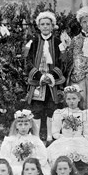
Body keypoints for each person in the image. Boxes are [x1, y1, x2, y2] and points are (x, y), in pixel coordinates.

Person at [25, 11, 66, 142]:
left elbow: (63, 61)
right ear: (38, 26)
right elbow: (27, 61)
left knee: (51, 109)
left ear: (52, 26)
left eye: (48, 24)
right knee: (36, 109)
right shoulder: (33, 42)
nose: (45, 27)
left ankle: (50, 136)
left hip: (53, 82)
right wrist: (40, 76)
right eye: (42, 24)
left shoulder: (58, 42)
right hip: (37, 81)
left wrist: (51, 76)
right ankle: (36, 137)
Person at [46, 84, 88, 167]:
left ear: (79, 99)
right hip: (64, 140)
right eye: (69, 99)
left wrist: (80, 138)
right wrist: (62, 137)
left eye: (74, 98)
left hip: (79, 140)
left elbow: (87, 132)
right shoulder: (60, 112)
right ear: (65, 100)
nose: (71, 101)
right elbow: (55, 131)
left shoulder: (84, 113)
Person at [0, 109, 49, 175]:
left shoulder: (36, 140)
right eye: (20, 124)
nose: (23, 127)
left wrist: (33, 167)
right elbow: (4, 157)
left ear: (30, 125)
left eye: (26, 124)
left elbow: (42, 157)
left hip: (31, 170)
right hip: (15, 168)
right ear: (16, 126)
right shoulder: (10, 140)